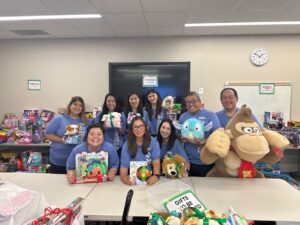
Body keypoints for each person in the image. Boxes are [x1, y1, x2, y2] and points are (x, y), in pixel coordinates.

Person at [178, 91, 220, 177]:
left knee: (206, 189)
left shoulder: (210, 115)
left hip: (206, 162)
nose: (191, 104)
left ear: (200, 102)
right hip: (189, 162)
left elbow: (218, 135)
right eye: (188, 102)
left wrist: (203, 142)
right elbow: (178, 134)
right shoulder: (183, 117)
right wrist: (181, 137)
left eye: (193, 101)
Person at [45, 96, 86, 174]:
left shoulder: (86, 122)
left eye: (80, 105)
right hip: (59, 160)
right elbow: (48, 134)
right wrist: (61, 140)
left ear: (83, 108)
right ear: (70, 105)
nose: (77, 107)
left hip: (78, 160)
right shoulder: (60, 119)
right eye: (75, 104)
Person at [120, 117, 160, 186]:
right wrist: (125, 179)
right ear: (132, 130)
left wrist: (155, 176)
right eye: (135, 127)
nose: (138, 129)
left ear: (145, 127)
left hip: (149, 180)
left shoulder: (153, 142)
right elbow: (123, 169)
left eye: (141, 126)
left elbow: (156, 163)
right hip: (133, 180)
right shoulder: (126, 145)